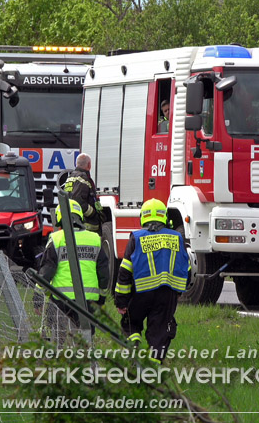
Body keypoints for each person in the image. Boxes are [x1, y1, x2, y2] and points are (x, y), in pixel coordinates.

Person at [114, 198, 189, 363]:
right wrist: (179, 291)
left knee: (131, 320)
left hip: (141, 293)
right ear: (165, 217)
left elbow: (125, 272)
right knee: (161, 329)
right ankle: (154, 365)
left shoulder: (137, 237)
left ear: (143, 217)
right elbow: (187, 267)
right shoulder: (177, 237)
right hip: (167, 293)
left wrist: (121, 301)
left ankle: (133, 341)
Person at [34, 199, 109, 341]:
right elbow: (104, 273)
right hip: (88, 301)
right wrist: (102, 298)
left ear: (60, 218)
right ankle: (85, 360)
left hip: (61, 300)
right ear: (80, 216)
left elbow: (46, 271)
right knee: (85, 337)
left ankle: (62, 357)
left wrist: (37, 297)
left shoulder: (56, 239)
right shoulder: (94, 239)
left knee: (59, 336)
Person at [64, 153, 103, 234]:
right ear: (89, 165)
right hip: (86, 225)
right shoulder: (82, 178)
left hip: (72, 221)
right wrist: (93, 214)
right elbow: (79, 202)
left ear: (76, 164)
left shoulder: (70, 177)